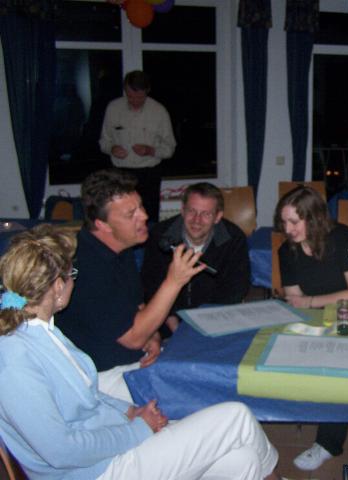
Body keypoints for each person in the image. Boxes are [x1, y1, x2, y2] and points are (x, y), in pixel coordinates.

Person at [0, 225, 279, 480]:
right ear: (58, 287)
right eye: (72, 275)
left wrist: (130, 410)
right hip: (95, 472)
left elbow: (87, 396)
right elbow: (62, 452)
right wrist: (139, 428)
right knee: (237, 417)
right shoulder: (14, 358)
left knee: (244, 460)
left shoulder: (42, 331)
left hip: (110, 448)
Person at [57, 169, 203, 390]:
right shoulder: (86, 267)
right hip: (99, 378)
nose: (144, 216)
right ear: (103, 225)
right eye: (130, 214)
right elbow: (134, 338)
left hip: (133, 360)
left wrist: (153, 335)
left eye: (141, 206)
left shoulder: (120, 247)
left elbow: (137, 305)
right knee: (199, 390)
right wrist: (174, 281)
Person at [273, 186, 348, 471]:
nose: (288, 229)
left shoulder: (342, 237)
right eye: (284, 222)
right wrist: (339, 298)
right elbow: (294, 300)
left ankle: (328, 443)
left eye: (294, 222)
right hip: (325, 314)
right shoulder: (287, 250)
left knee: (340, 363)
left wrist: (313, 301)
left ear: (314, 218)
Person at [141, 182, 250, 334]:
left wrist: (208, 327)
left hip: (215, 320)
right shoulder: (161, 235)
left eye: (206, 214)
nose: (197, 220)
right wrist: (174, 327)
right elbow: (151, 284)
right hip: (167, 320)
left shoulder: (233, 239)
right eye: (192, 211)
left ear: (218, 217)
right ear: (182, 210)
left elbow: (235, 289)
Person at [99, 70, 176, 222]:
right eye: (130, 96)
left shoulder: (159, 111)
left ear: (147, 91)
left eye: (139, 97)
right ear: (125, 90)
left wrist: (150, 150)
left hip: (148, 174)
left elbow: (170, 149)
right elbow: (104, 142)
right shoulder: (113, 108)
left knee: (148, 220)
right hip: (120, 174)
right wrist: (112, 149)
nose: (134, 101)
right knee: (120, 219)